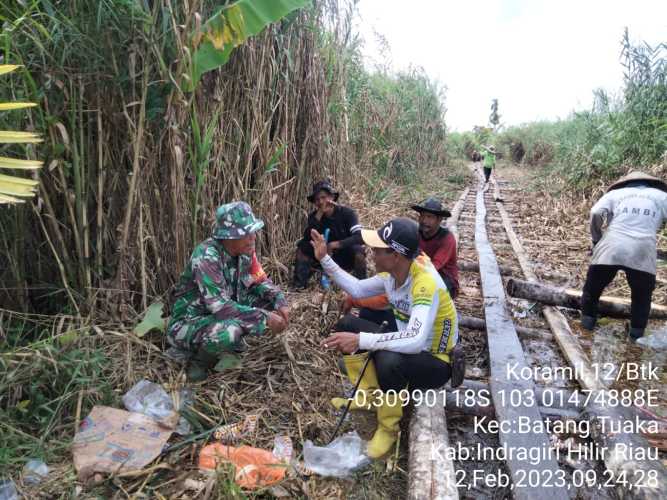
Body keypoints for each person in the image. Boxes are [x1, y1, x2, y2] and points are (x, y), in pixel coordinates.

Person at [313, 218, 460, 458]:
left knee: (388, 358)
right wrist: (324, 259)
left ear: (396, 256)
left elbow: (413, 340)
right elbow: (358, 289)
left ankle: (388, 428)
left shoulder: (424, 283)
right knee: (348, 324)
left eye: (378, 249)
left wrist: (362, 341)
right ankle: (367, 397)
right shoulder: (392, 276)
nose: (371, 253)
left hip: (436, 360)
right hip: (412, 345)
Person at [166, 202, 289, 381]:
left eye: (252, 232)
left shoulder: (246, 252)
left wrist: (280, 301)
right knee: (230, 331)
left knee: (269, 304)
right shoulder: (207, 257)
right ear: (228, 237)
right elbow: (221, 308)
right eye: (246, 234)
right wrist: (265, 318)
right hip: (191, 321)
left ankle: (231, 341)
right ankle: (199, 361)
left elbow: (260, 281)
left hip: (224, 308)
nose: (252, 237)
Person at [580, 171, 667, 340]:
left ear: (625, 183)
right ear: (651, 184)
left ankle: (586, 328)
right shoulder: (662, 196)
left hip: (611, 244)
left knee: (592, 289)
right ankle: (636, 339)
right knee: (642, 297)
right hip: (642, 249)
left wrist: (596, 239)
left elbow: (596, 213)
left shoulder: (615, 193)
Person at [293, 180, 366, 288]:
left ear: (332, 197)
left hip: (344, 255)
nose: (321, 202)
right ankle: (299, 286)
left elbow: (360, 237)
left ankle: (363, 286)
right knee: (302, 247)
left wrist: (335, 244)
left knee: (358, 251)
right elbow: (307, 238)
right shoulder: (315, 217)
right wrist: (320, 213)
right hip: (322, 257)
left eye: (324, 197)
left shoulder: (347, 213)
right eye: (317, 199)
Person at [412, 197, 459, 298]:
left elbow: (434, 267)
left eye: (429, 217)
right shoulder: (416, 232)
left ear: (439, 220)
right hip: (420, 272)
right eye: (422, 216)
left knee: (427, 290)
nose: (424, 220)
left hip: (443, 277)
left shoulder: (447, 238)